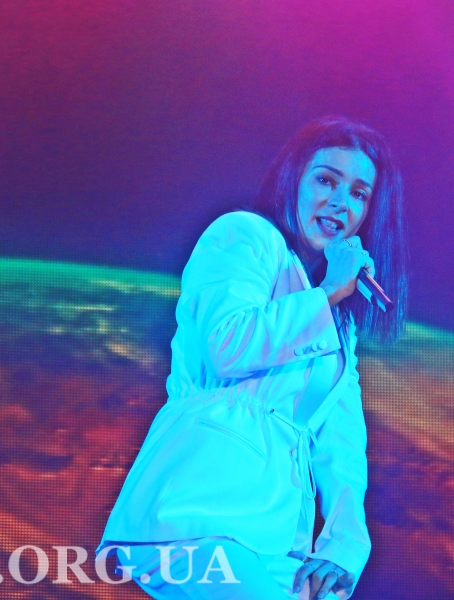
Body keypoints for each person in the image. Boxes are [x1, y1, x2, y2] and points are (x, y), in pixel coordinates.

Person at [96, 115, 408, 600]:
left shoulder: (337, 322)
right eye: (326, 181)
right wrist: (327, 292)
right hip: (197, 510)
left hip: (277, 537)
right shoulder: (244, 236)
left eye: (359, 194)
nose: (340, 202)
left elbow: (341, 444)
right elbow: (228, 345)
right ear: (294, 180)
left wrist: (345, 545)